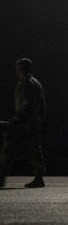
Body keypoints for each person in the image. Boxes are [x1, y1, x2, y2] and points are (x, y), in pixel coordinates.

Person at [0, 57, 47, 188]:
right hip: (34, 123)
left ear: (20, 69)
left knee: (7, 150)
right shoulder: (36, 83)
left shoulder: (24, 83)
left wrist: (15, 120)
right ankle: (39, 178)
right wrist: (41, 121)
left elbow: (25, 104)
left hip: (23, 123)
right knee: (35, 150)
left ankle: (0, 177)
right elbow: (42, 104)